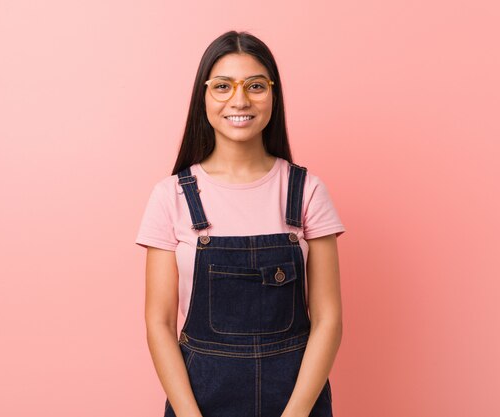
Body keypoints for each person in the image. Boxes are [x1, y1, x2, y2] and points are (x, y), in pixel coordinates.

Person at [136, 30, 346, 417]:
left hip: (296, 400)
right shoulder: (171, 196)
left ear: (273, 93)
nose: (240, 100)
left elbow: (328, 319)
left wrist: (296, 414)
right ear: (204, 97)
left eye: (254, 85)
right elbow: (160, 323)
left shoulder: (308, 191)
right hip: (199, 401)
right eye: (222, 86)